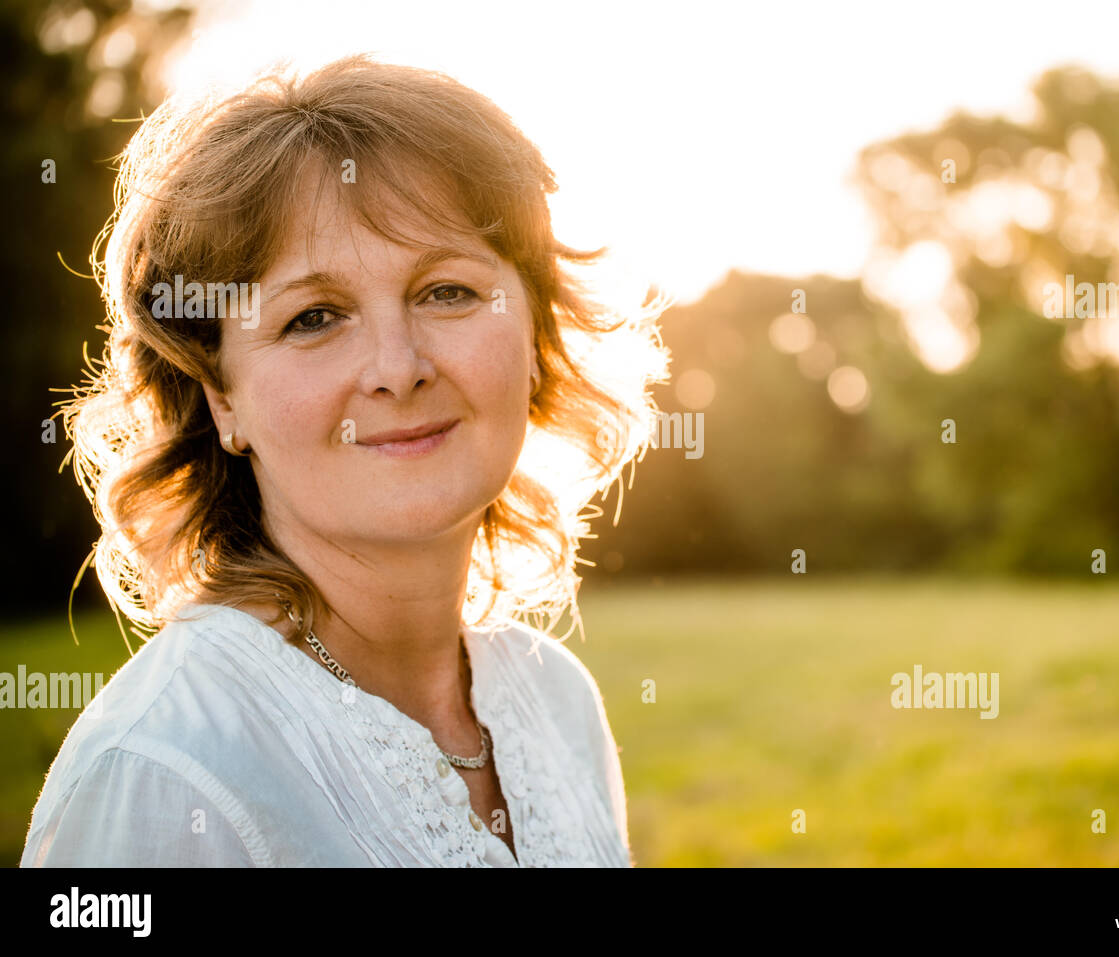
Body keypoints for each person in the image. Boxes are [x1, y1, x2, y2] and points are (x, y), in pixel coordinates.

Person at [21, 55, 671, 867]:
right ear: (223, 397)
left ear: (535, 334)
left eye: (447, 292)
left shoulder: (557, 700)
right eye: (314, 316)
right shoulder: (167, 769)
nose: (398, 367)